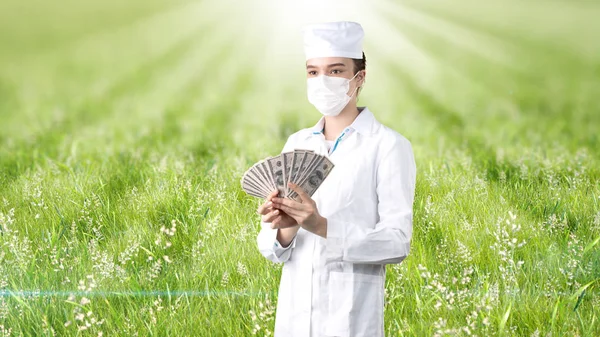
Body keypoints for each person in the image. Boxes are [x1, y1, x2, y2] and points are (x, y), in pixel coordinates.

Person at [256, 21, 416, 337]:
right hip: (295, 313)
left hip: (350, 315)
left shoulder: (387, 145)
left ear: (360, 78)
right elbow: (270, 249)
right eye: (313, 72)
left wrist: (322, 226)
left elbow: (397, 241)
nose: (322, 80)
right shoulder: (297, 143)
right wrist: (285, 227)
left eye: (335, 71)